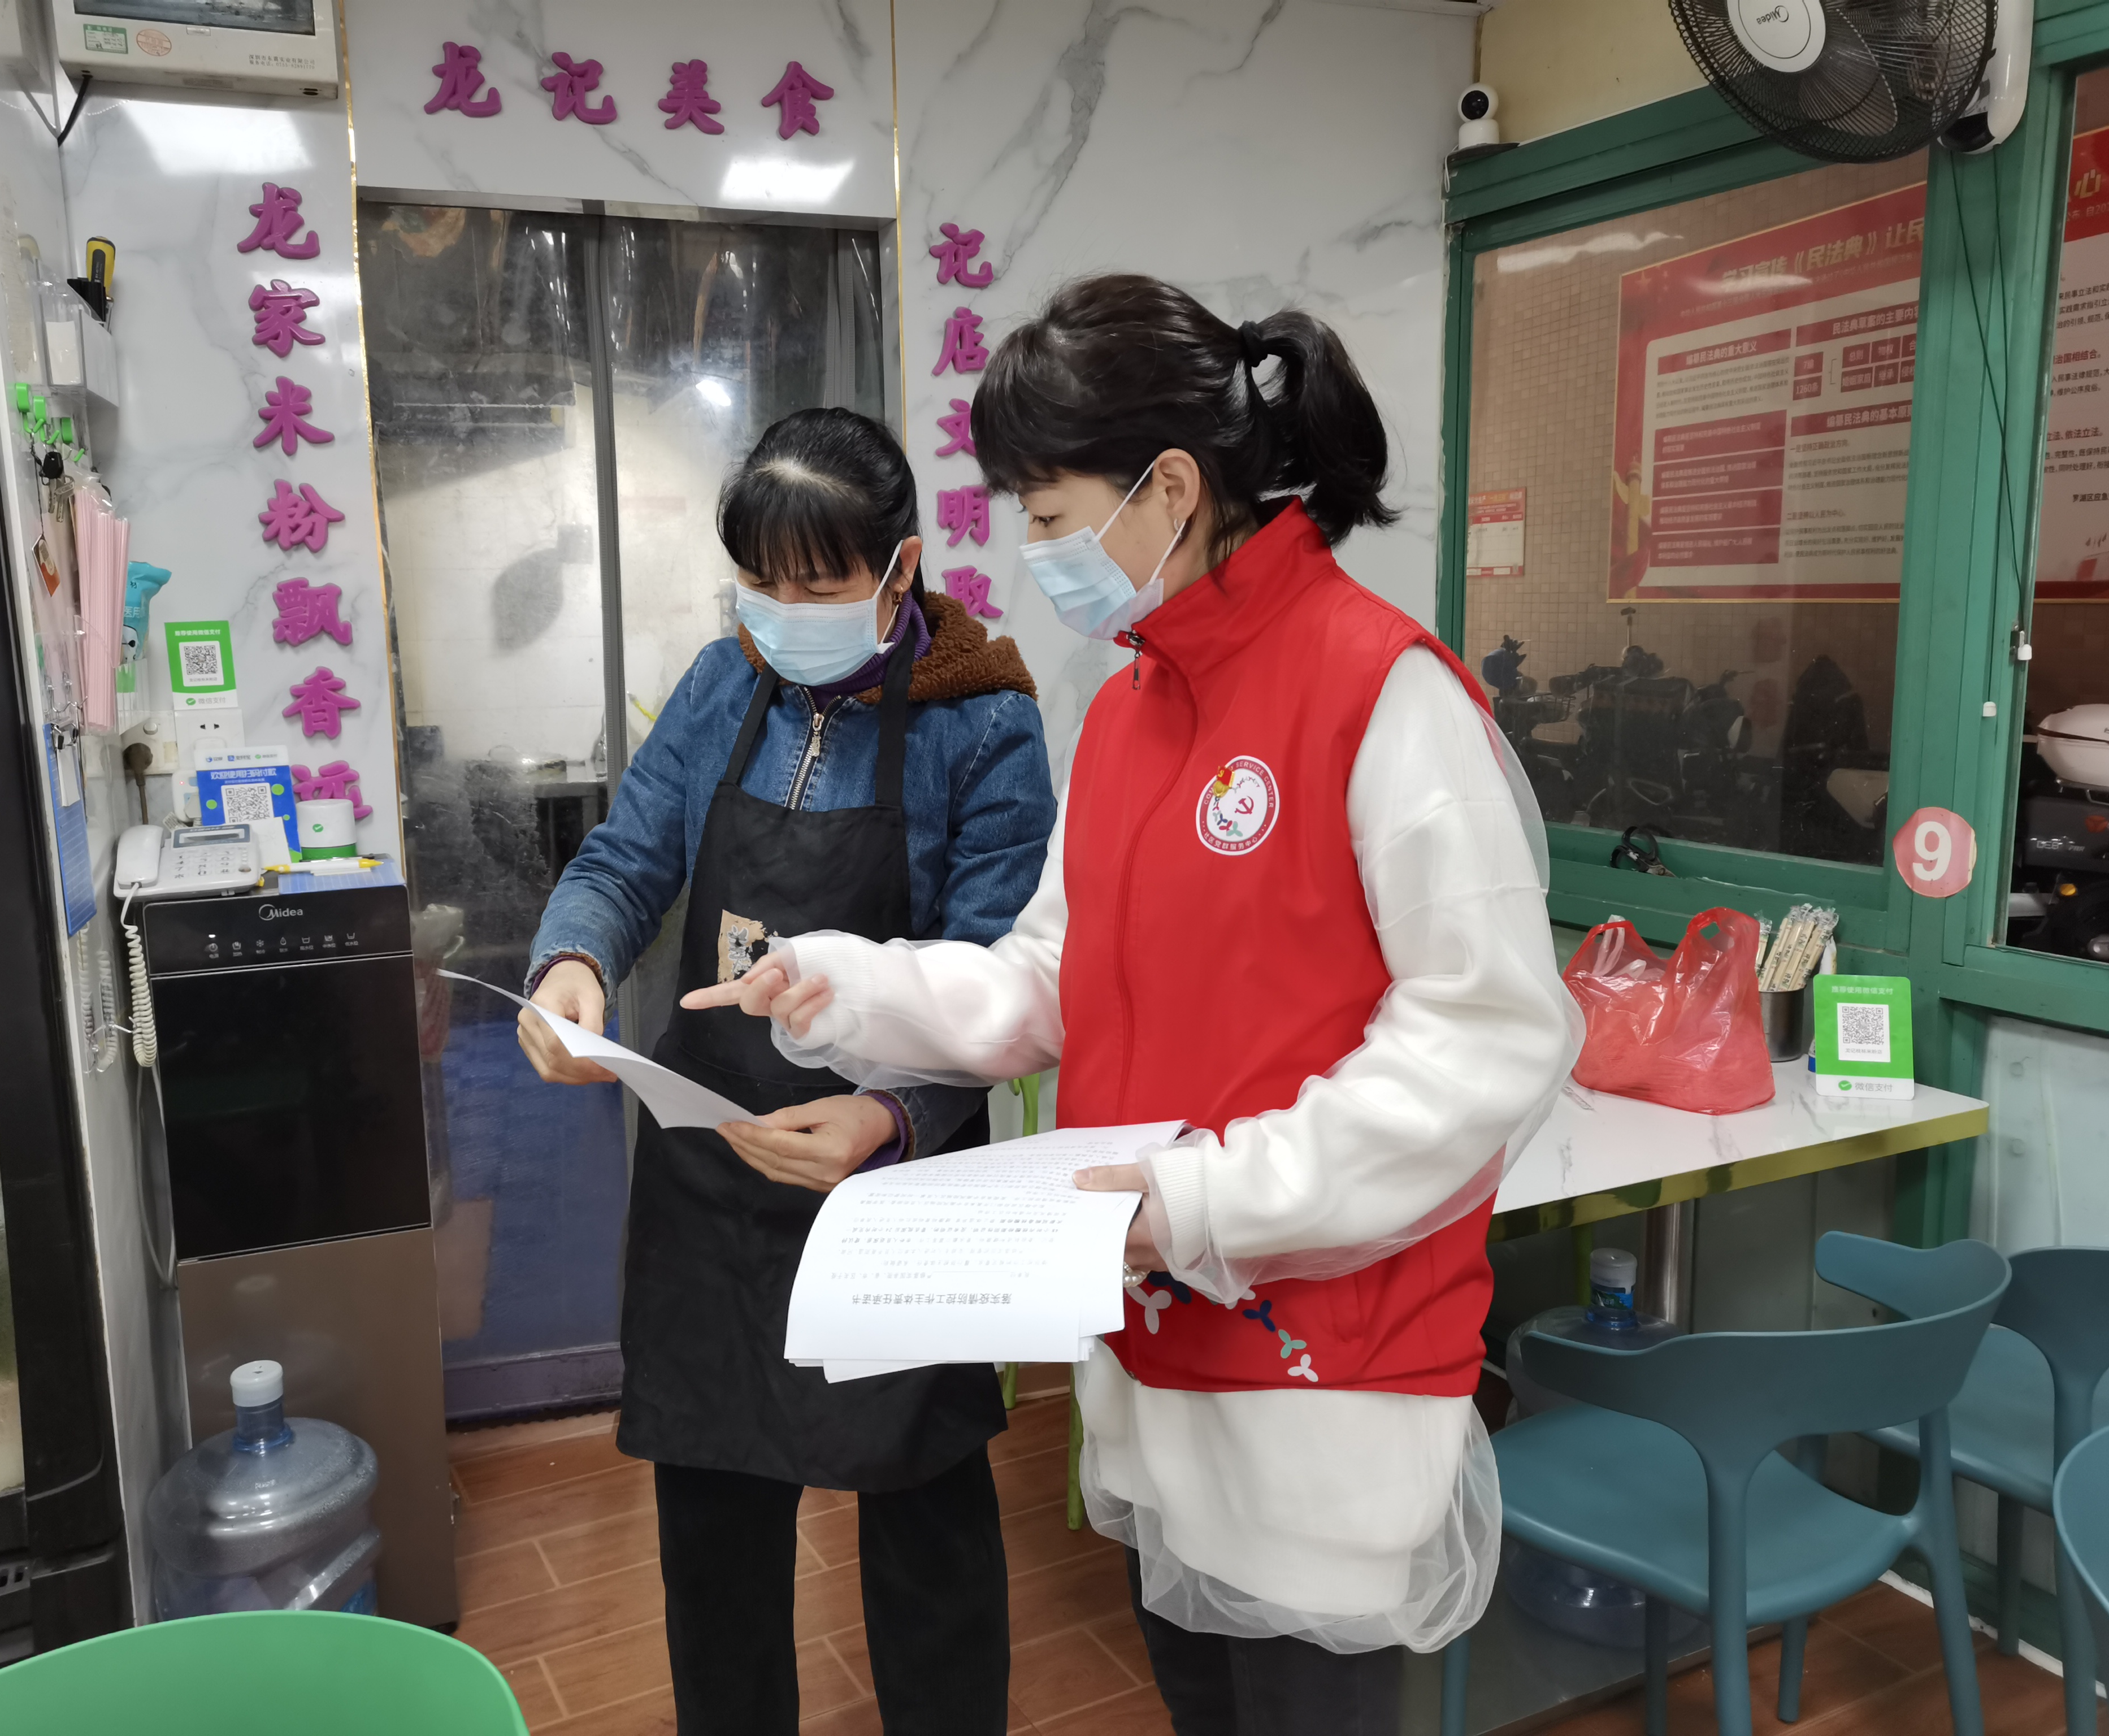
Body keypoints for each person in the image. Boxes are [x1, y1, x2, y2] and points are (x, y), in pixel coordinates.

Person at [688, 277, 1581, 1736]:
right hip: (1152, 1335)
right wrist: (846, 982)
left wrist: (1200, 1199)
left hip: (1319, 1367)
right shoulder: (1128, 711)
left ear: (1169, 490)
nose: (1032, 552)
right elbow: (1051, 978)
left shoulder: (1382, 694)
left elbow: (1487, 1042)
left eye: (1047, 515)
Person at [518, 406, 1055, 1735]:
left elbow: (999, 980)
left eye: (816, 585)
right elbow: (627, 857)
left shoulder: (983, 726)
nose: (782, 613)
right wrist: (571, 961)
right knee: (713, 1524)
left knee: (924, 1523)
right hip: (713, 1172)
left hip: (895, 1185)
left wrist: (889, 1114)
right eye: (760, 583)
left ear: (900, 568)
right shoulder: (722, 686)